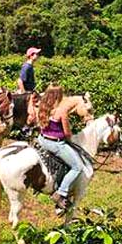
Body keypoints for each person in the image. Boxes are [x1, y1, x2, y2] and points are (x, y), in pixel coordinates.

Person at [36, 84, 85, 215]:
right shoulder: (61, 111)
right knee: (77, 167)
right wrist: (72, 141)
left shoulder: (42, 107)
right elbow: (67, 134)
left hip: (42, 139)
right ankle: (61, 193)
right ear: (59, 96)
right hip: (55, 144)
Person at [18, 47, 41, 126]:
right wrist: (25, 94)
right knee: (32, 113)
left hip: (31, 92)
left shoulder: (30, 66)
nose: (38, 56)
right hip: (27, 94)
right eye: (36, 54)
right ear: (31, 55)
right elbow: (20, 81)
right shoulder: (27, 67)